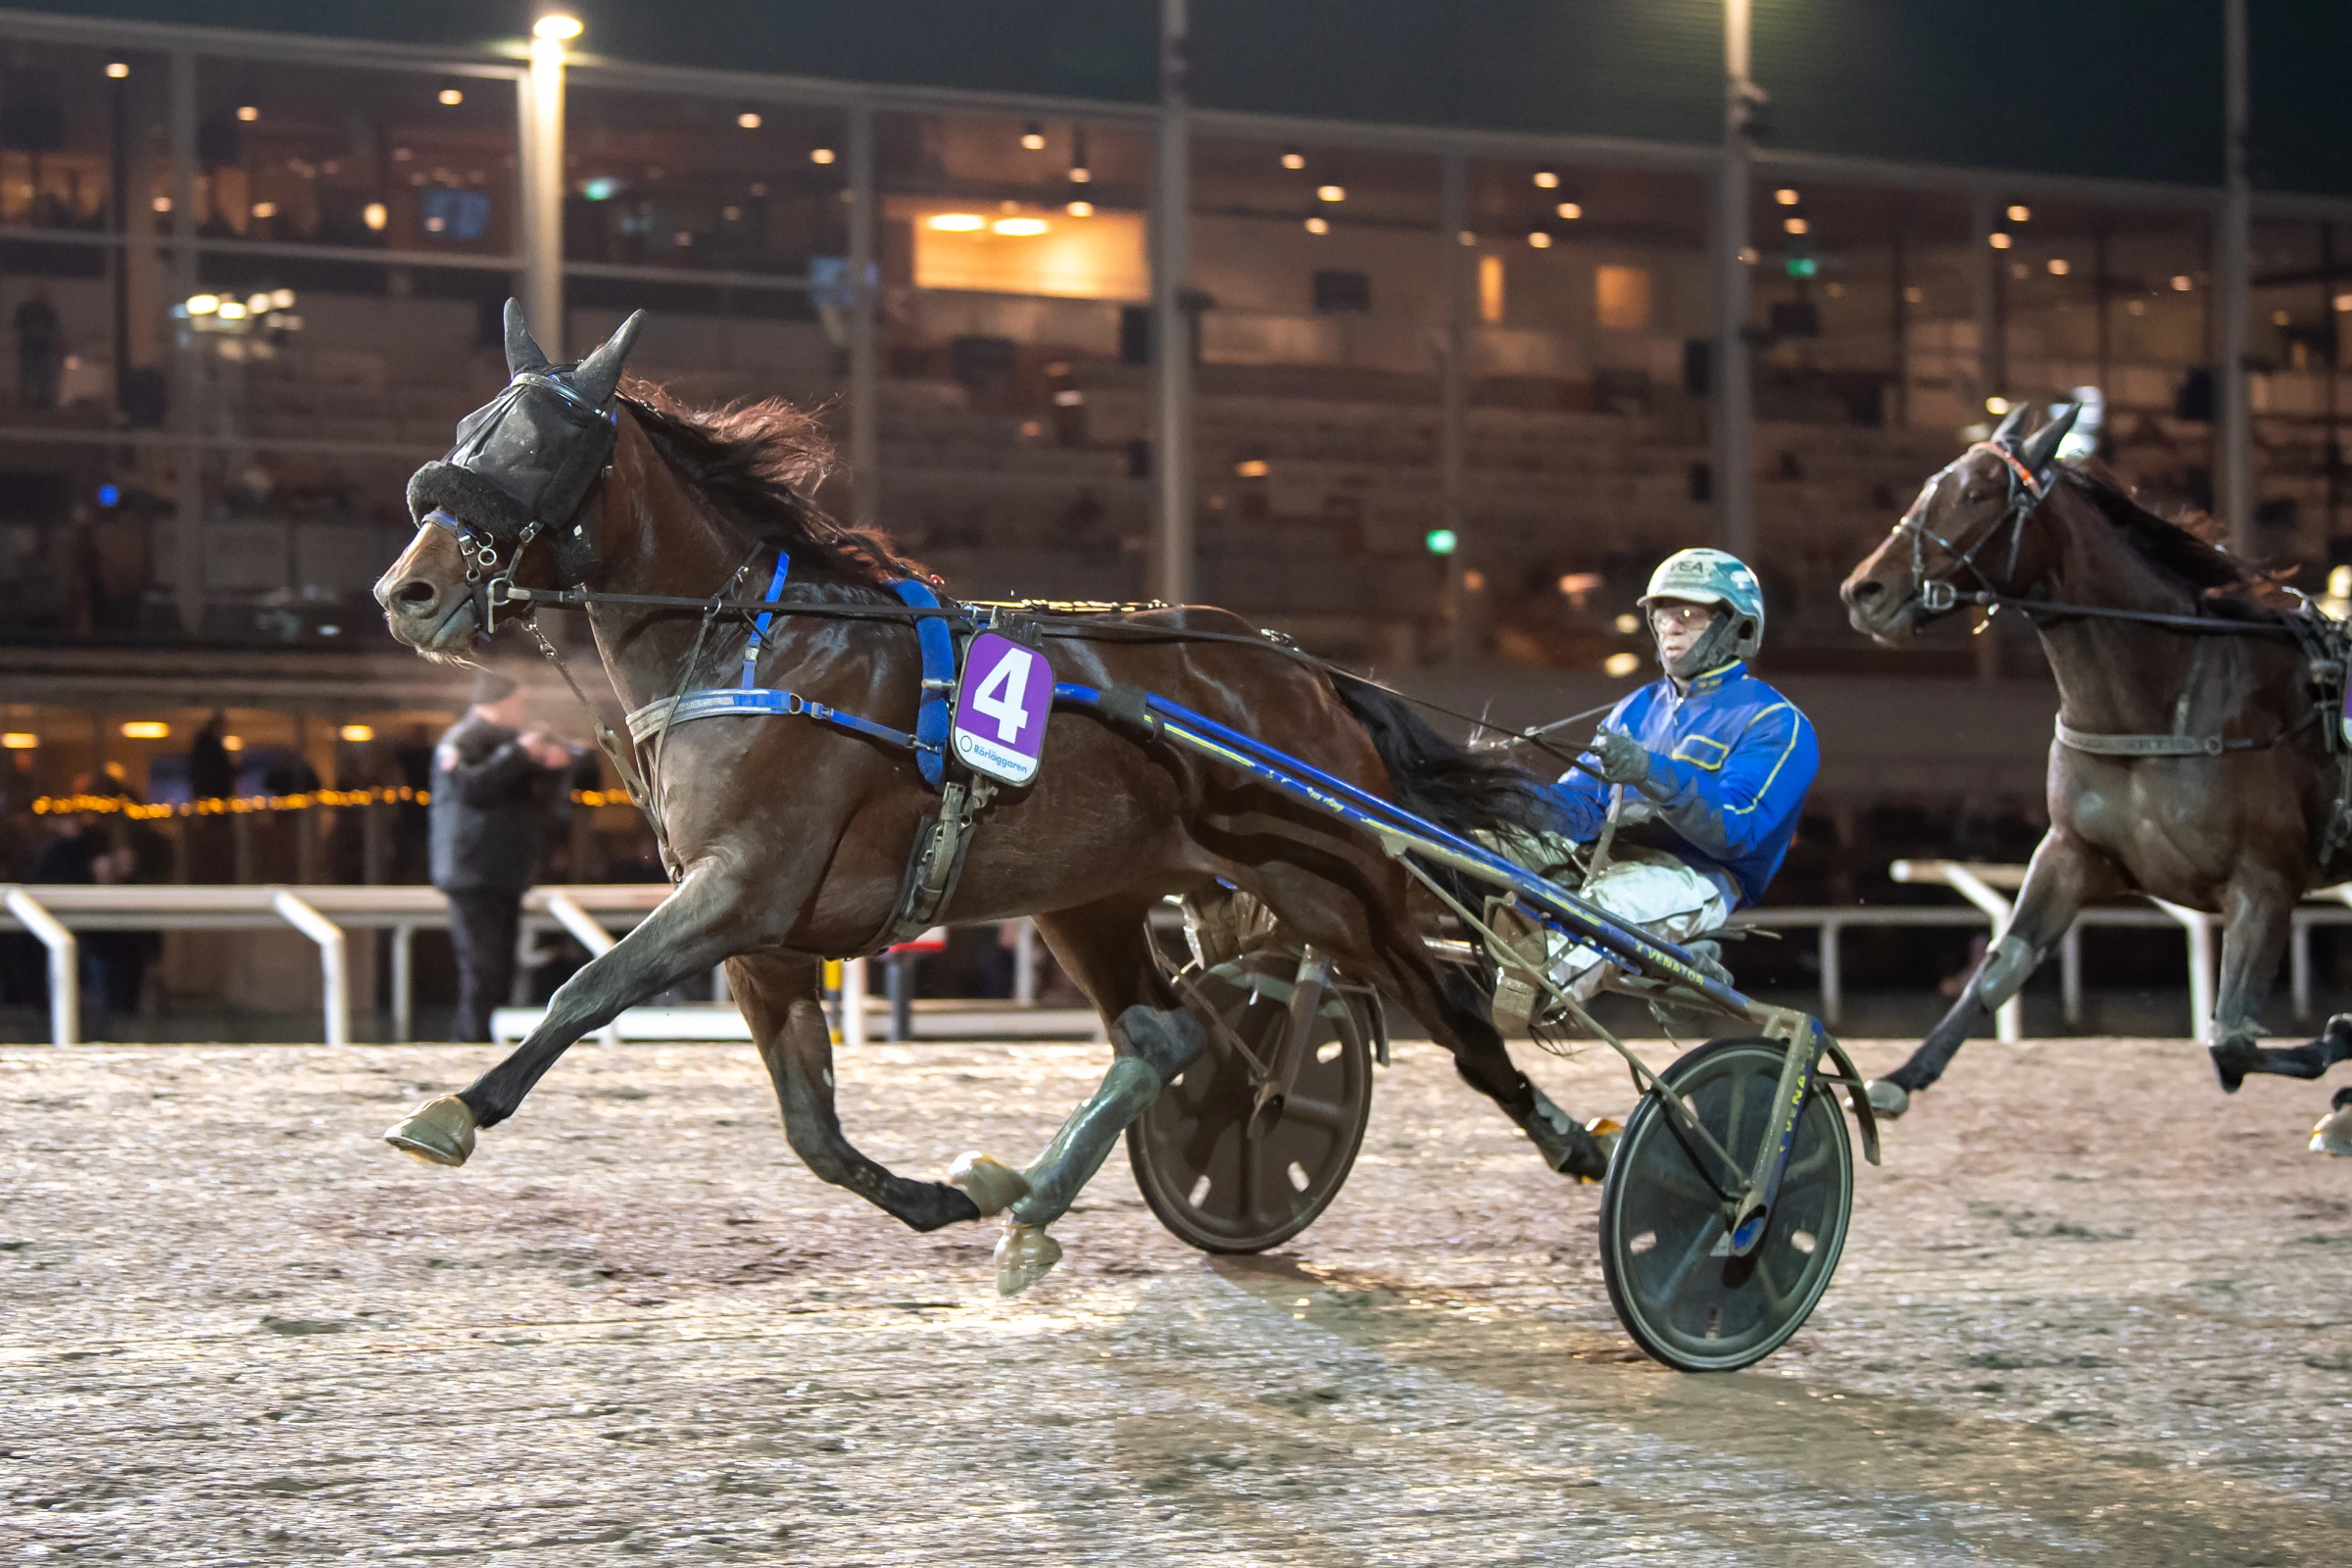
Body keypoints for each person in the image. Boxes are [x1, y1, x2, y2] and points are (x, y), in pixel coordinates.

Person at [1497, 548, 1819, 1021]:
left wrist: (1650, 770)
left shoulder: (1776, 723)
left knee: (1606, 905)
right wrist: (1507, 798)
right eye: (1663, 612)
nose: (1671, 624)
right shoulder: (1636, 707)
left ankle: (1521, 995)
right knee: (1492, 850)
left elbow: (1735, 830)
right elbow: (1583, 806)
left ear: (1738, 628)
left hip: (1695, 877)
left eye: (1689, 613)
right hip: (1609, 860)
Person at [430, 669, 575, 1042]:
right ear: (502, 702)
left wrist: (550, 763)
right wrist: (520, 754)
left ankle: (485, 1042)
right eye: (518, 702)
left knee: (501, 970)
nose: (523, 710)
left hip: (504, 872)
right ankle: (470, 1044)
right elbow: (470, 786)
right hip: (472, 873)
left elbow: (537, 798)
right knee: (481, 969)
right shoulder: (462, 739)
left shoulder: (511, 743)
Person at [14, 283, 62, 411]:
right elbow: (19, 325)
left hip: (42, 348)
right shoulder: (26, 309)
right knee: (27, 374)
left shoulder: (47, 310)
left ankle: (41, 399)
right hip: (30, 347)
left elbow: (53, 328)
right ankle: (27, 399)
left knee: (42, 375)